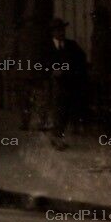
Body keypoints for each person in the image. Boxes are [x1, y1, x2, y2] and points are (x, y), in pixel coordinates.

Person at [46, 18, 89, 149]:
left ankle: (59, 136)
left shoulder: (72, 45)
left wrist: (71, 70)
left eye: (62, 30)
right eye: (58, 30)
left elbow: (82, 59)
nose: (61, 32)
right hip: (53, 83)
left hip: (70, 82)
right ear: (52, 32)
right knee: (57, 109)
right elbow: (42, 63)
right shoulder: (47, 47)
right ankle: (57, 137)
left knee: (66, 110)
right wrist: (52, 70)